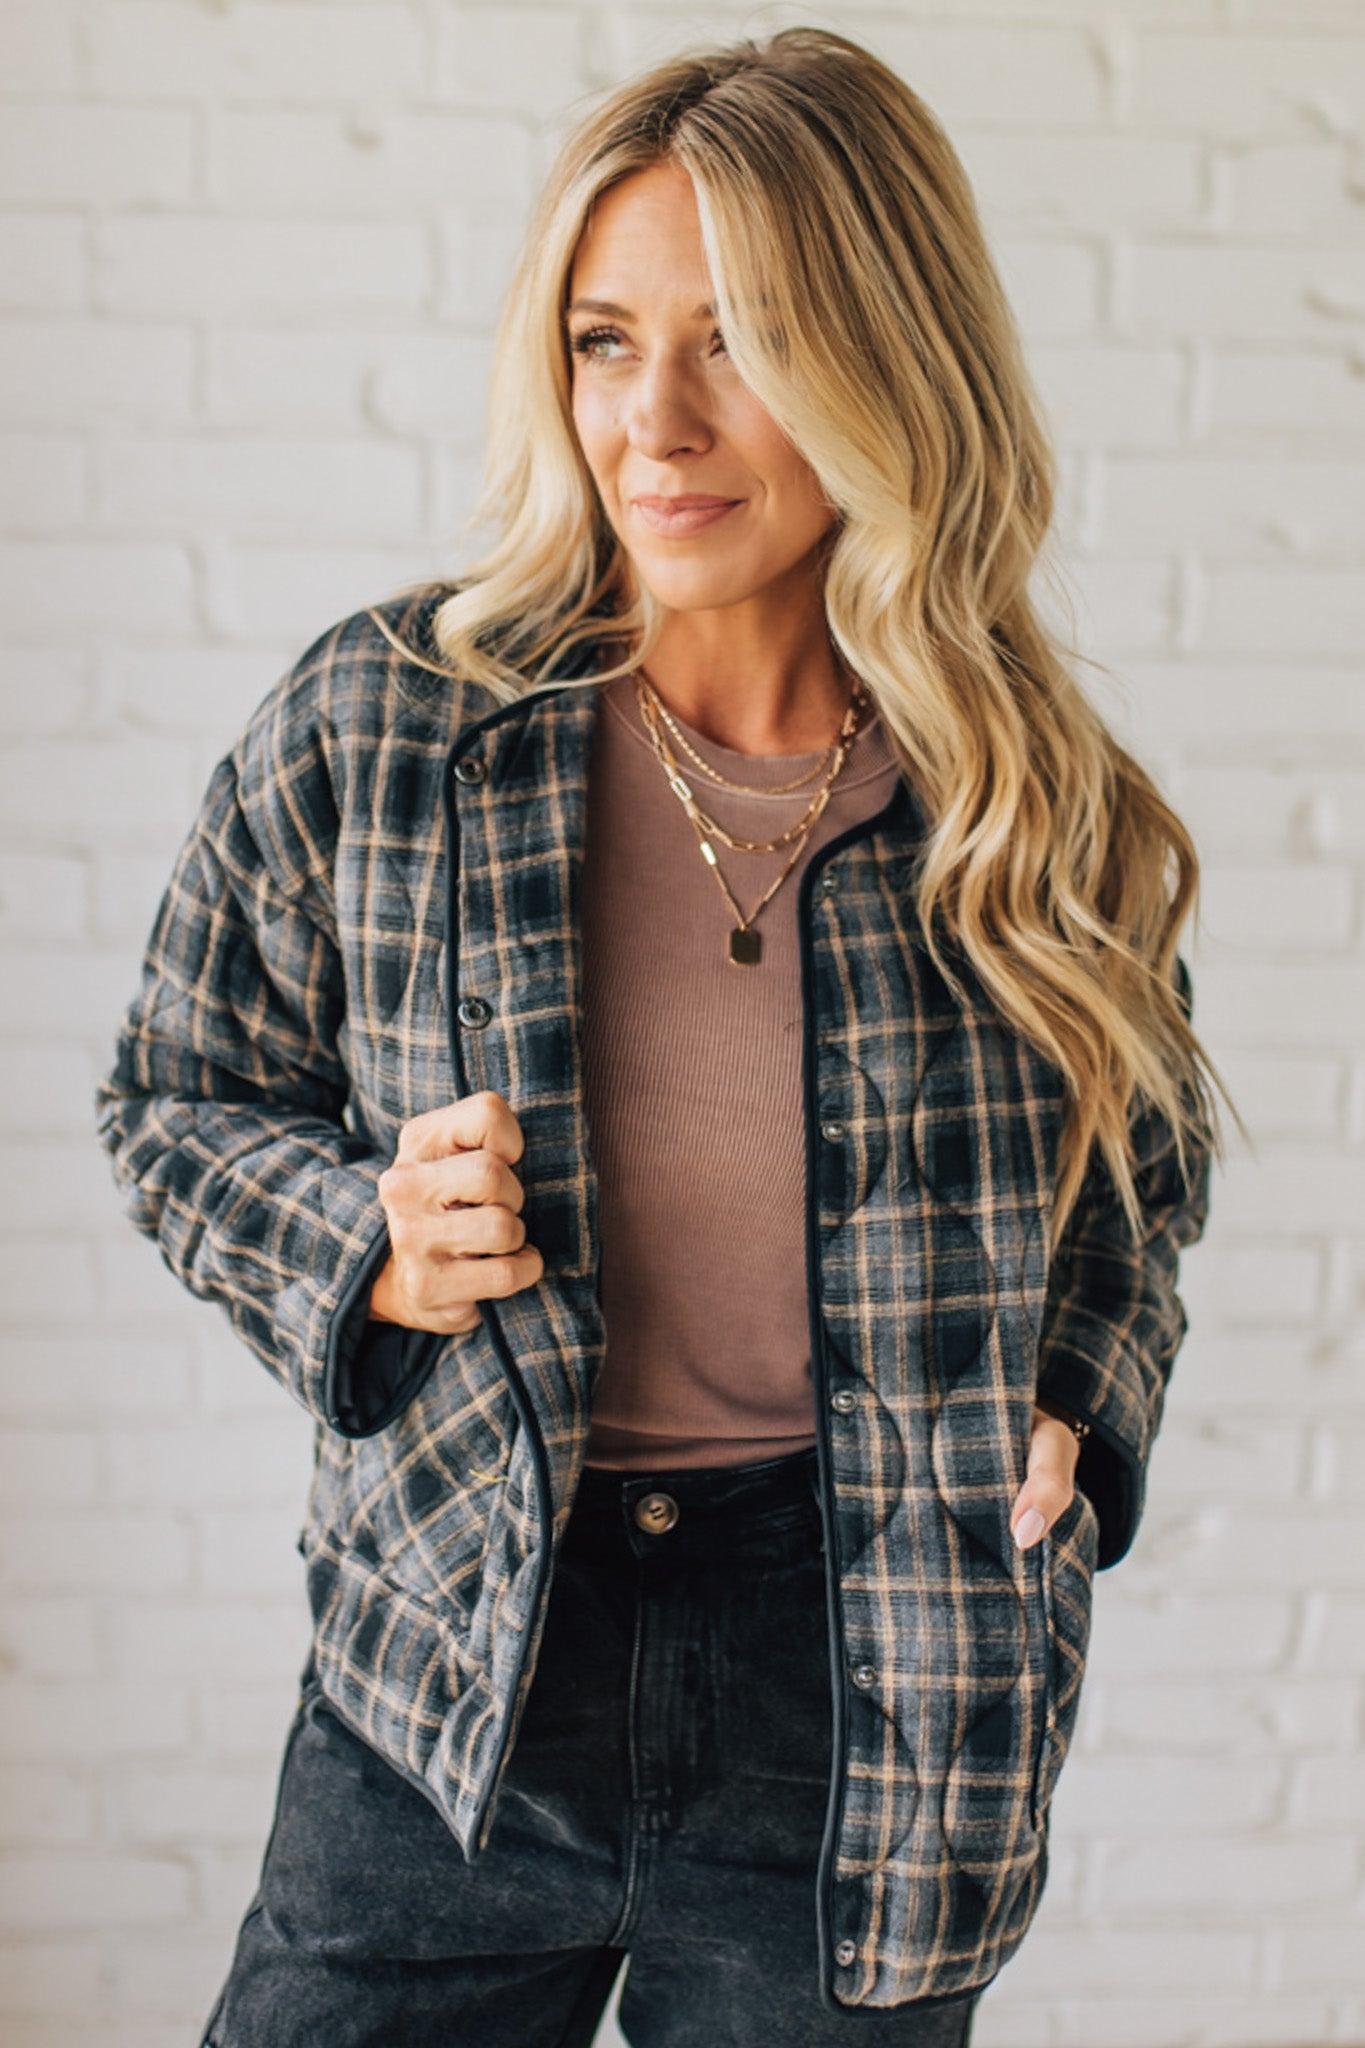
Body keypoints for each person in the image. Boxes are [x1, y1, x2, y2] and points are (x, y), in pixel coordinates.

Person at [93, 26, 1234, 2047]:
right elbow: (171, 1095)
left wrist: (1079, 1386)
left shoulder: (1029, 805)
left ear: (890, 361)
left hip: (865, 1690)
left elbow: (1134, 1165)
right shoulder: (390, 725)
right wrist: (364, 1237)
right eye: (605, 340)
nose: (656, 421)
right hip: (455, 1673)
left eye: (742, 339)